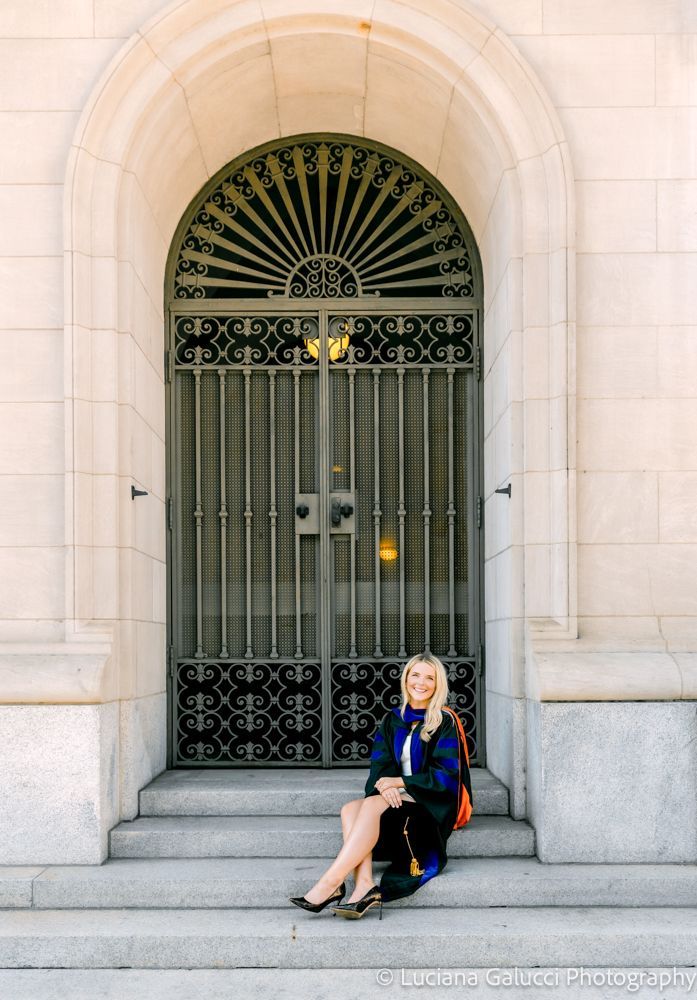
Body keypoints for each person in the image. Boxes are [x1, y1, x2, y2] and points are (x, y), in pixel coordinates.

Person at [289, 652, 464, 920]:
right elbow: (379, 766)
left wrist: (400, 782)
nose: (421, 682)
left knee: (371, 803)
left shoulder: (444, 721)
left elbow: (446, 776)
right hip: (396, 799)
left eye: (429, 677)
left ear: (437, 684)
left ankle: (330, 883)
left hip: (430, 805)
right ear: (406, 679)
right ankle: (364, 885)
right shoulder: (393, 719)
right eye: (415, 675)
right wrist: (387, 787)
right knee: (350, 808)